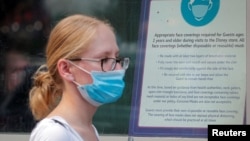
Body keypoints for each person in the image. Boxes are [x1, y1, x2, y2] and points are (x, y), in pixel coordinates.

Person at [28, 14, 130, 141]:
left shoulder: (89, 130)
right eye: (104, 59)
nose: (119, 69)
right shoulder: (55, 134)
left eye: (117, 58)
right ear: (66, 69)